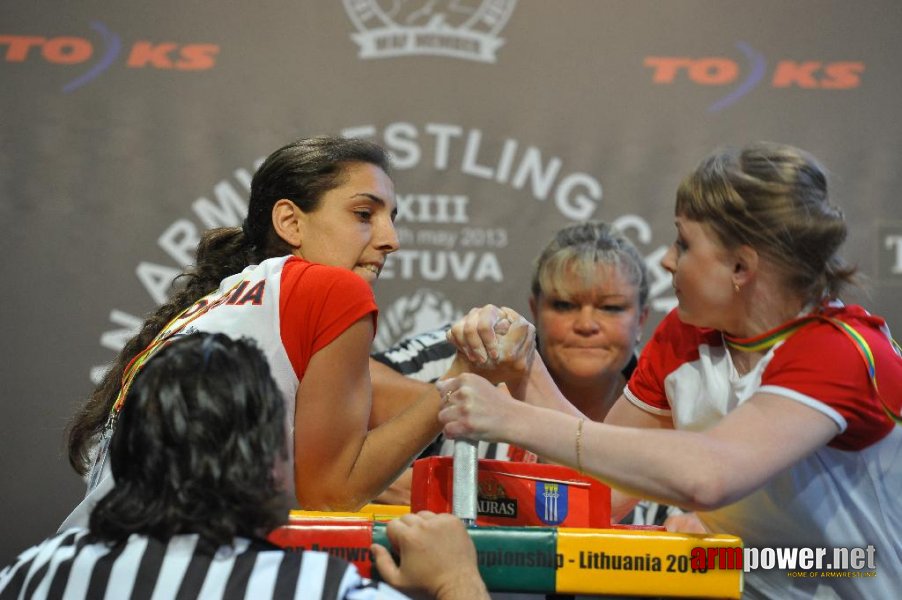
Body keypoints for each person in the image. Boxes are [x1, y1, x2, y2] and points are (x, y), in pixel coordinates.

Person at [436, 142, 902, 598]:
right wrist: (524, 365)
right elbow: (600, 489)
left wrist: (512, 417)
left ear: (741, 266)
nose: (666, 260)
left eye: (683, 243)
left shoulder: (840, 350)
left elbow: (709, 476)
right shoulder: (686, 333)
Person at [62, 136, 472, 528]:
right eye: (364, 215)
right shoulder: (330, 289)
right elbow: (329, 496)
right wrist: (456, 387)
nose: (391, 240)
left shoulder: (222, 298)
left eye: (391, 219)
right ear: (291, 222)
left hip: (84, 561)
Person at [2, 334, 488, 599]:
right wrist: (456, 581)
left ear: (127, 451)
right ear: (273, 460)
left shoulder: (33, 575)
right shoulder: (317, 589)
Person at [371, 222, 683, 527]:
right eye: (564, 305)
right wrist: (465, 398)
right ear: (535, 310)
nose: (586, 324)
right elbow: (356, 380)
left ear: (641, 319)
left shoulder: (674, 404)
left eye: (611, 308)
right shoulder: (484, 349)